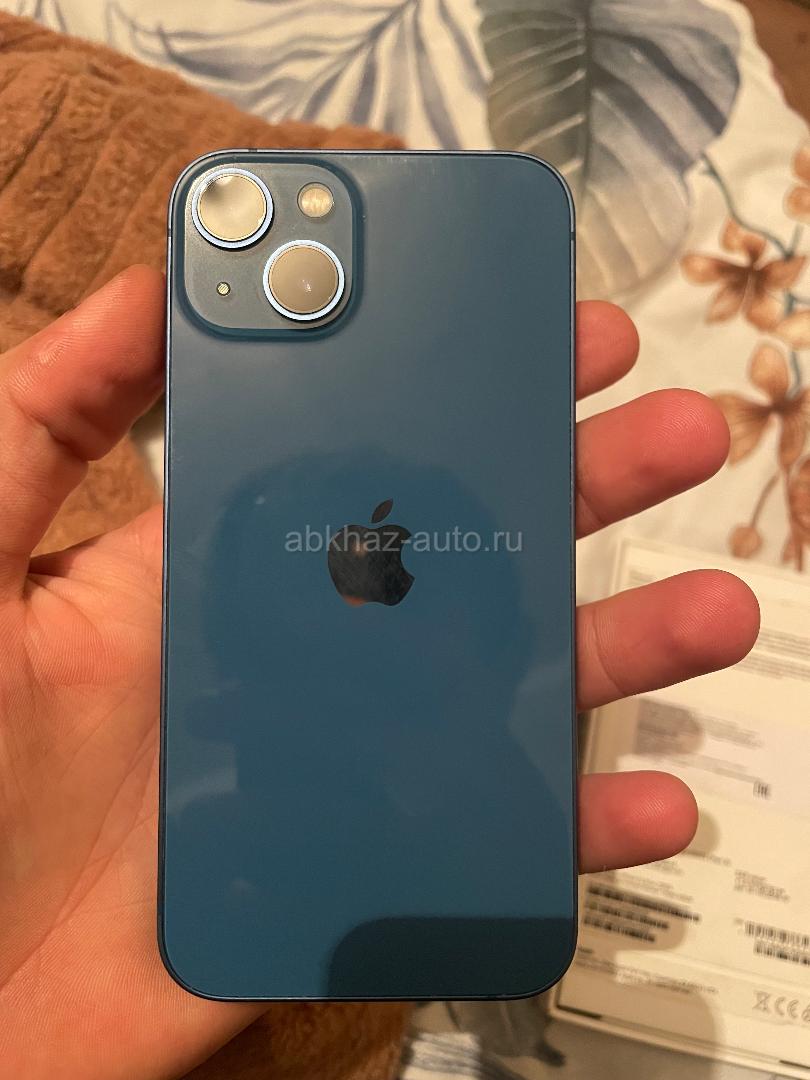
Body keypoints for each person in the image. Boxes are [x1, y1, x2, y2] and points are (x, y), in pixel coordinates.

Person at [0, 266, 759, 1077]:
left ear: (506, 660)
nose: (349, 716)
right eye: (303, 668)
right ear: (228, 679)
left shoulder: (488, 843)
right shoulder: (198, 858)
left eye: (394, 688)